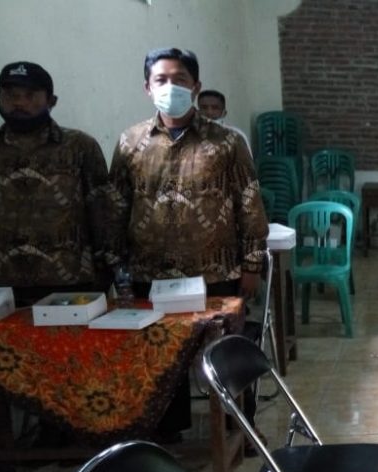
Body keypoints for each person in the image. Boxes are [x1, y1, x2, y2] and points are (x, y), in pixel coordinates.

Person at [107, 47, 269, 443]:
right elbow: (115, 206)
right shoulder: (130, 143)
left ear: (195, 86)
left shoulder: (226, 142)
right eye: (161, 80)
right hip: (150, 273)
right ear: (147, 88)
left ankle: (240, 428)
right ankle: (167, 432)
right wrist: (116, 267)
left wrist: (251, 265)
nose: (171, 87)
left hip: (215, 271)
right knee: (159, 359)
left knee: (225, 351)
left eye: (180, 80)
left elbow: (249, 202)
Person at [0, 62, 112, 306]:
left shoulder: (79, 146)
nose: (19, 103)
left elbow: (103, 214)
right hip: (3, 286)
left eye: (30, 95)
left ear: (52, 101)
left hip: (71, 283)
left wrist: (106, 275)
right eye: (10, 95)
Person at [197, 89, 252, 153]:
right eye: (204, 107)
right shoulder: (190, 135)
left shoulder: (237, 136)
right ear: (197, 112)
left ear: (224, 113)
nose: (209, 112)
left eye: (215, 108)